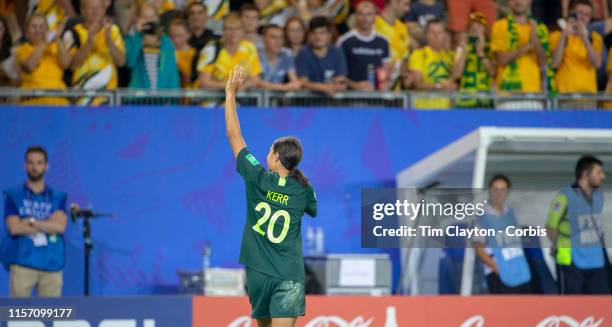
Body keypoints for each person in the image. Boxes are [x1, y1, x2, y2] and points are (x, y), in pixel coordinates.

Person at [224, 65, 317, 327]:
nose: (266, 155)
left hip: (258, 274)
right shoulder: (303, 189)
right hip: (289, 276)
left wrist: (230, 93)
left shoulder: (257, 177)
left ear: (275, 158)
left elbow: (234, 135)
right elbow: (313, 208)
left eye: (269, 151)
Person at [1, 146, 68, 297]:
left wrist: (30, 221)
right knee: (18, 316)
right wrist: (47, 224)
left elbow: (60, 227)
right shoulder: (14, 195)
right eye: (30, 163)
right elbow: (14, 228)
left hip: (52, 264)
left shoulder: (58, 197)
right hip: (22, 263)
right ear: (25, 165)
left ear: (46, 165)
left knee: (51, 316)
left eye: (39, 163)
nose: (34, 167)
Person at [547, 156, 609, 294]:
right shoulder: (565, 196)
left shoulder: (599, 196)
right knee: (571, 305)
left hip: (596, 260)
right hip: (570, 260)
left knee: (599, 305)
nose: (603, 176)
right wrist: (556, 244)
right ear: (585, 173)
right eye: (598, 172)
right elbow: (551, 226)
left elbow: (598, 227)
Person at [474, 174, 533, 294]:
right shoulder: (482, 216)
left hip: (519, 271)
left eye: (502, 190)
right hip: (499, 274)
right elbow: (478, 248)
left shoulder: (510, 213)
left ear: (507, 192)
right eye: (495, 189)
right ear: (490, 190)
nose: (498, 193)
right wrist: (497, 268)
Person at [491, 0, 554, 110]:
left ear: (530, 1)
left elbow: (544, 63)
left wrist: (535, 41)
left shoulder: (540, 28)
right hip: (507, 96)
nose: (518, 1)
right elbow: (502, 60)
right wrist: (527, 47)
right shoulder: (499, 26)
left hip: (534, 96)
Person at [64, 0, 125, 104]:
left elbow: (121, 62)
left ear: (104, 10)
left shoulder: (113, 30)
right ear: (82, 10)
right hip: (82, 97)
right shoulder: (72, 33)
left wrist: (109, 40)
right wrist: (89, 43)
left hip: (108, 98)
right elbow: (72, 66)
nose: (95, 12)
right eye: (90, 8)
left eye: (99, 8)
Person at [16, 14, 71, 105]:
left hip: (58, 99)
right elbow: (29, 66)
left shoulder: (55, 47)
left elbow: (66, 64)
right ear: (27, 31)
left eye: (42, 26)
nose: (38, 30)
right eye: (34, 26)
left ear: (47, 29)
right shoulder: (22, 49)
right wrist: (45, 41)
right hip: (32, 100)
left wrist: (56, 37)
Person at [198, 12, 262, 90]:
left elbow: (255, 79)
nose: (233, 33)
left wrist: (243, 86)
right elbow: (204, 82)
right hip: (212, 98)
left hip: (240, 98)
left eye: (237, 28)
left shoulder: (250, 48)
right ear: (223, 31)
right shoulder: (210, 48)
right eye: (229, 29)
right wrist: (232, 85)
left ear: (242, 30)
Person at [551, 0, 602, 95]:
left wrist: (585, 38)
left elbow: (597, 64)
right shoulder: (557, 35)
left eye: (587, 15)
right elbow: (554, 64)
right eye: (580, 13)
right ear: (571, 14)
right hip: (564, 94)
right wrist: (563, 36)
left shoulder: (595, 37)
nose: (583, 18)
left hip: (588, 94)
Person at [337, 1, 391, 91]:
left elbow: (386, 70)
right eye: (361, 14)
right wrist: (355, 85)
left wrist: (385, 82)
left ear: (375, 16)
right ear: (355, 16)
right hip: (351, 97)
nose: (365, 18)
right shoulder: (344, 41)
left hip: (376, 98)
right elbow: (337, 73)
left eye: (369, 14)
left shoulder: (383, 41)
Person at [125, 3, 180, 90]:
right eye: (144, 17)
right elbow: (130, 63)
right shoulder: (132, 39)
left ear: (158, 19)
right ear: (137, 19)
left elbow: (172, 72)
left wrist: (174, 99)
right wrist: (138, 36)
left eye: (152, 17)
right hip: (138, 99)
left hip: (162, 99)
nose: (148, 21)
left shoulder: (166, 41)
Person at [296, 16, 347, 96]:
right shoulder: (303, 53)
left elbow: (340, 78)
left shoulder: (337, 52)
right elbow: (303, 82)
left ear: (329, 35)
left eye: (322, 33)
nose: (318, 37)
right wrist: (325, 88)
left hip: (333, 103)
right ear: (309, 35)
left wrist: (336, 86)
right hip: (307, 104)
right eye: (314, 33)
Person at [453, 12, 496, 108]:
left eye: (479, 26)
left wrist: (481, 53)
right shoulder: (461, 48)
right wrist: (464, 50)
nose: (476, 29)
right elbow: (456, 74)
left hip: (485, 100)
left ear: (484, 29)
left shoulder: (491, 47)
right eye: (473, 25)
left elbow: (493, 72)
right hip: (465, 101)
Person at [410, 20, 456, 109]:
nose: (436, 36)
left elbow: (456, 81)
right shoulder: (418, 54)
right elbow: (417, 83)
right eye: (433, 33)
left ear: (445, 35)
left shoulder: (451, 56)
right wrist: (439, 86)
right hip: (424, 109)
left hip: (448, 110)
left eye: (440, 33)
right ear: (426, 35)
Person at [375, 0, 410, 90]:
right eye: (405, 4)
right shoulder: (374, 24)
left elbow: (404, 58)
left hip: (396, 92)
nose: (408, 9)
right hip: (375, 90)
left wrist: (405, 74)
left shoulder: (403, 28)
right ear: (394, 2)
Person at [258, 24, 302, 91]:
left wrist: (267, 86)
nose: (278, 41)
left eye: (281, 37)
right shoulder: (255, 54)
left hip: (277, 100)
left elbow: (296, 83)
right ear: (263, 39)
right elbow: (256, 82)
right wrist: (284, 87)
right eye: (273, 37)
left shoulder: (287, 54)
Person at [169, 18, 197, 88]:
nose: (176, 40)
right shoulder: (165, 54)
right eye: (172, 36)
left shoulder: (194, 54)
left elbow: (192, 79)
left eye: (180, 36)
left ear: (188, 35)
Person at [0, 15, 18, 86]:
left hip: (8, 92)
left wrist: (5, 77)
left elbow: (18, 81)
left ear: (5, 30)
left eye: (0, 29)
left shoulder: (13, 51)